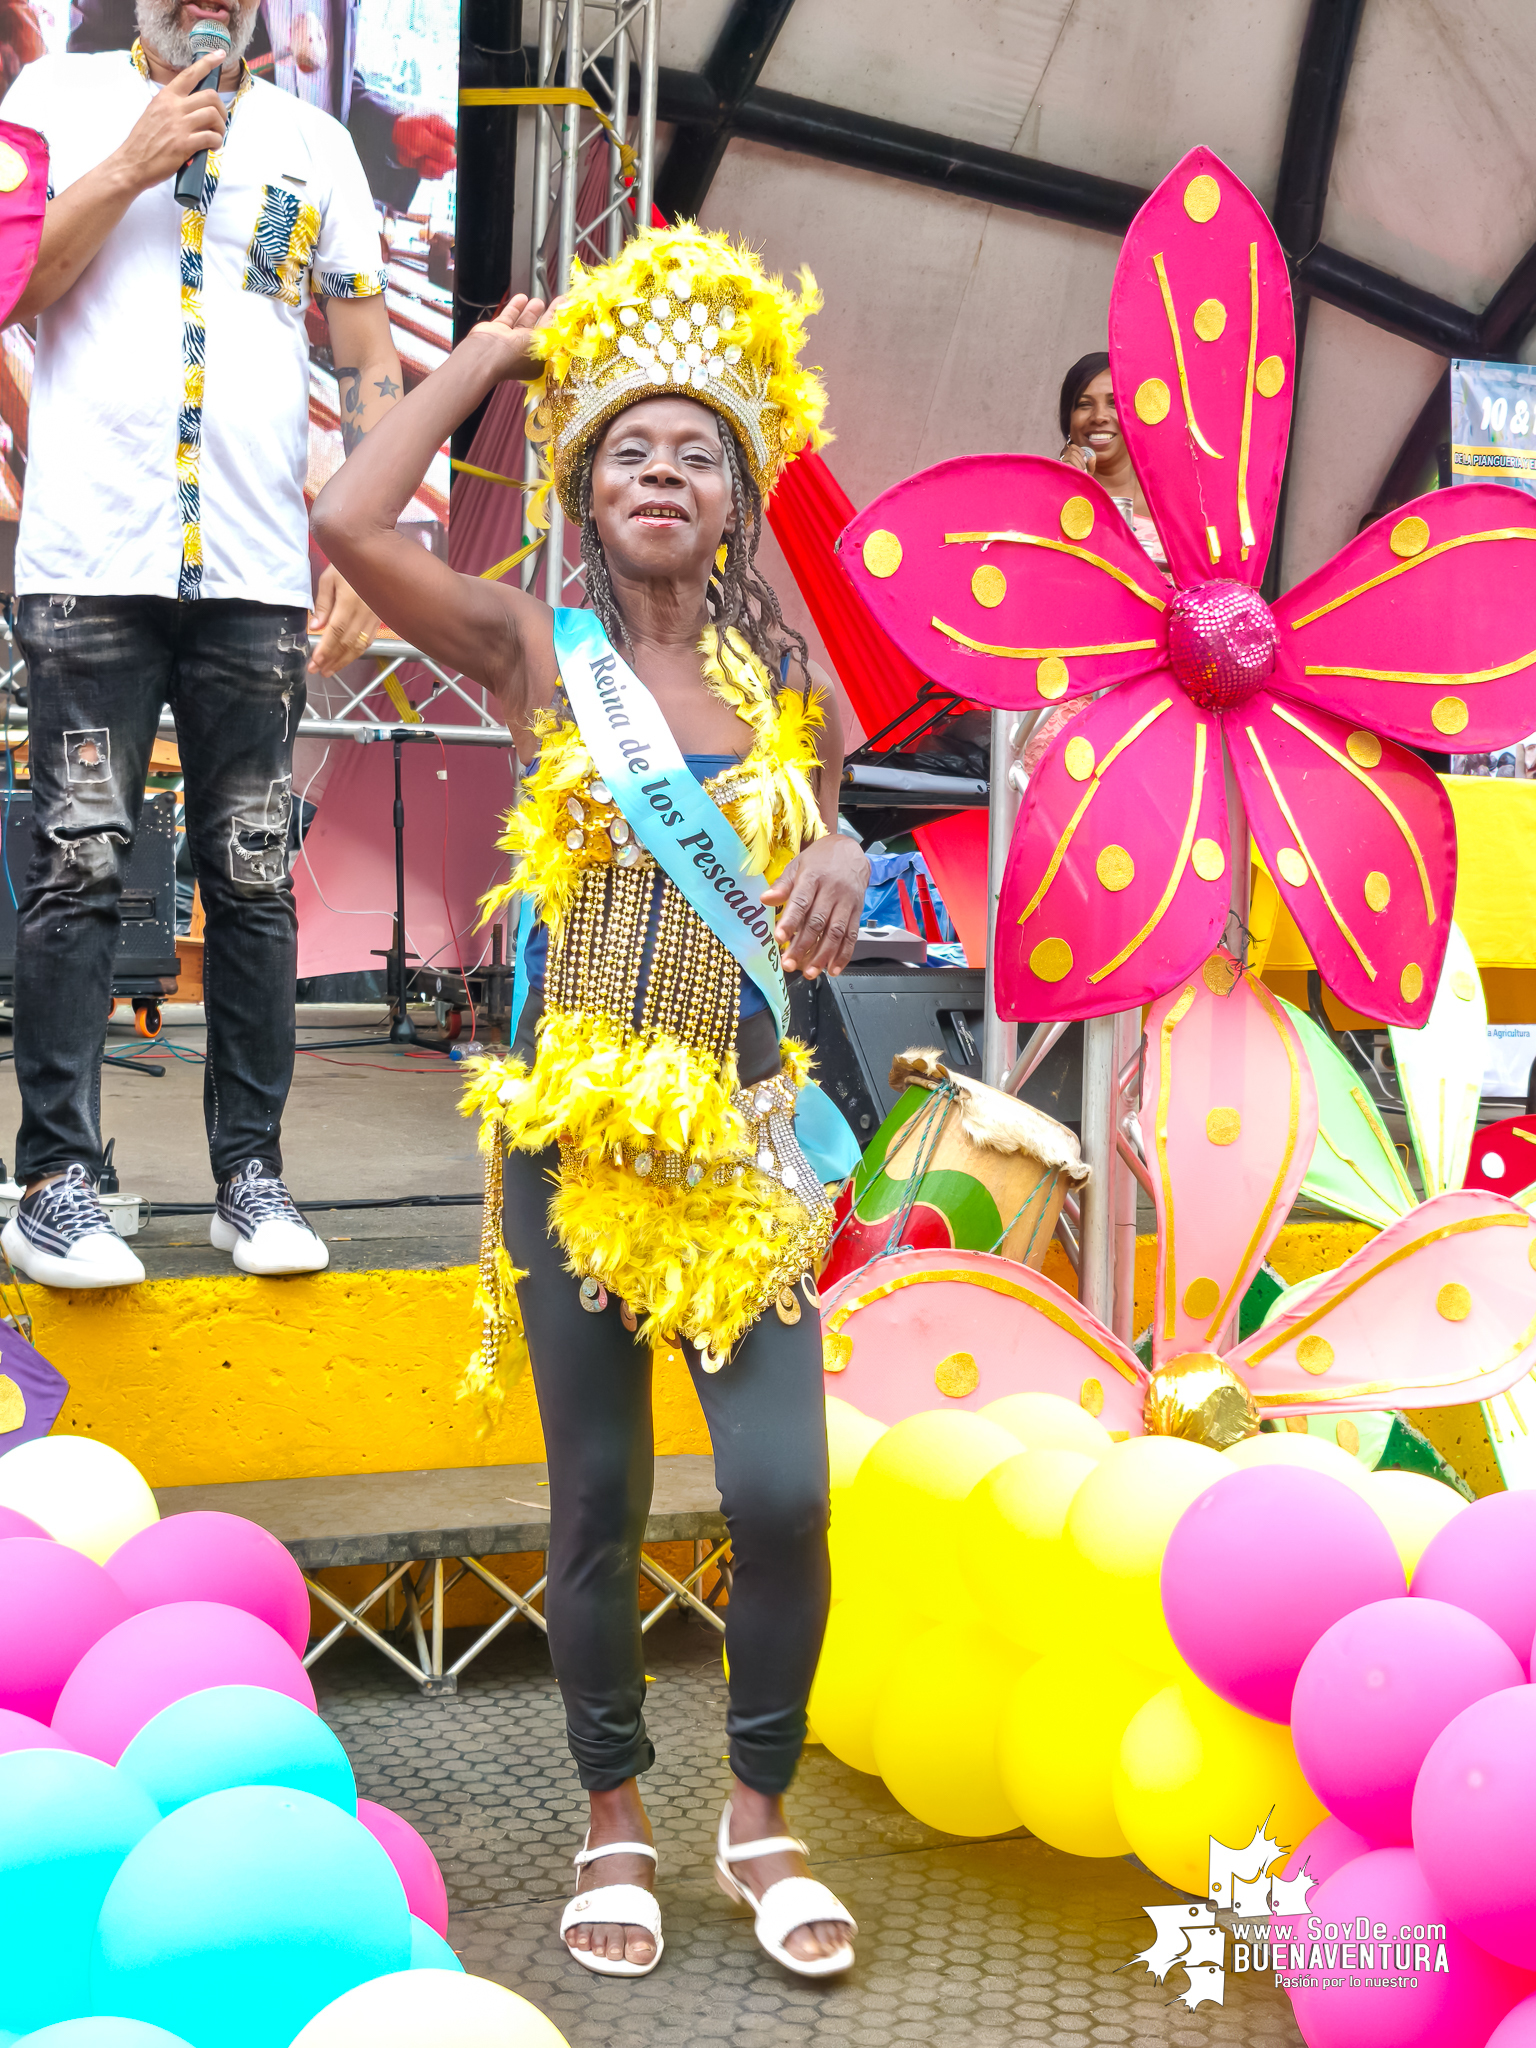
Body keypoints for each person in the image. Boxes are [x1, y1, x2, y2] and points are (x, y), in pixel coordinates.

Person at [313, 222, 868, 1982]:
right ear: (584, 484)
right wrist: (480, 363)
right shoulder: (532, 649)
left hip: (745, 1145)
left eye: (695, 450)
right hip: (576, 1146)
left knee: (782, 1496)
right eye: (630, 448)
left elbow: (833, 825)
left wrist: (846, 845)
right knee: (597, 1504)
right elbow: (348, 525)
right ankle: (613, 1811)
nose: (661, 472)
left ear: (734, 501)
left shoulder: (791, 687)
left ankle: (758, 1813)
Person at [0, 0, 405, 1286]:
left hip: (254, 578)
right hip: (90, 568)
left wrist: (375, 545)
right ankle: (55, 1182)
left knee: (252, 876)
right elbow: (13, 286)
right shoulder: (52, 103)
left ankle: (253, 1179)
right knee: (78, 867)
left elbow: (367, 357)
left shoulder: (316, 145)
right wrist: (133, 159)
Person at [66, 0, 456, 209]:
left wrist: (390, 132)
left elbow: (319, 86)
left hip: (302, 241)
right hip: (174, 230)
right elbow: (95, 70)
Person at [1057, 348, 1168, 573]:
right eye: (1085, 404)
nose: (1099, 417)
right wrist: (1067, 489)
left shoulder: (1174, 500)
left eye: (1114, 403)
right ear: (1068, 420)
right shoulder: (1048, 495)